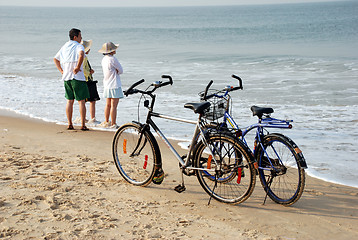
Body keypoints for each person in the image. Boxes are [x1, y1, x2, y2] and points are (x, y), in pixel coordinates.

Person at [54, 28, 90, 131]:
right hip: (77, 77)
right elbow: (81, 55)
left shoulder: (64, 46)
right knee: (81, 101)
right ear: (75, 37)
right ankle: (83, 125)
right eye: (80, 36)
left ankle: (70, 124)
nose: (81, 38)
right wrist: (78, 67)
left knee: (69, 101)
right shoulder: (79, 46)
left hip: (66, 77)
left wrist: (61, 71)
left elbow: (55, 59)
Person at [98, 42, 124, 129]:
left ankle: (106, 121)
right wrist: (116, 71)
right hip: (114, 84)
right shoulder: (113, 59)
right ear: (112, 50)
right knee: (114, 106)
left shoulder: (104, 59)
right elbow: (121, 70)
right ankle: (113, 123)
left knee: (108, 104)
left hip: (107, 84)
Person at [81, 40, 100, 125]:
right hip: (87, 80)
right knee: (92, 100)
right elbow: (84, 69)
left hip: (82, 80)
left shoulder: (80, 56)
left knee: (83, 101)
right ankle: (92, 118)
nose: (90, 50)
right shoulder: (84, 57)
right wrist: (90, 72)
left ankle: (83, 118)